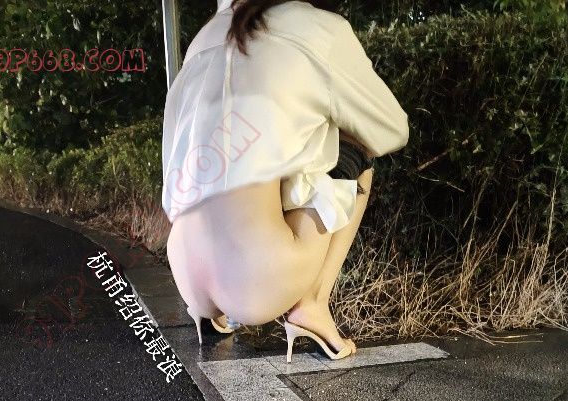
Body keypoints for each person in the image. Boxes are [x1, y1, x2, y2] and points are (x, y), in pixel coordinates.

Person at [162, 0, 409, 361]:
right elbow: (392, 128)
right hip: (258, 282)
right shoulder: (317, 26)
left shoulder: (202, 38)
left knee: (245, 156)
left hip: (184, 269)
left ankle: (207, 314)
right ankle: (312, 305)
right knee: (357, 148)